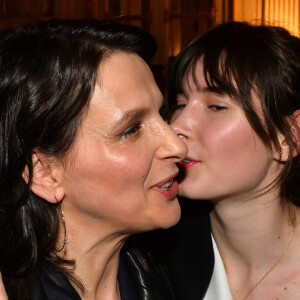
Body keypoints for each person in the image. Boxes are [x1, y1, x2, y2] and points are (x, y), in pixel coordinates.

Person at [0, 19, 187, 300]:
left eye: (162, 114)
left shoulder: (167, 276)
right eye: (131, 129)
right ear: (45, 173)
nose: (177, 145)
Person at [166, 21, 300, 299]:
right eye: (180, 103)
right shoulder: (155, 261)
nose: (177, 125)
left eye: (216, 106)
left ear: (288, 138)